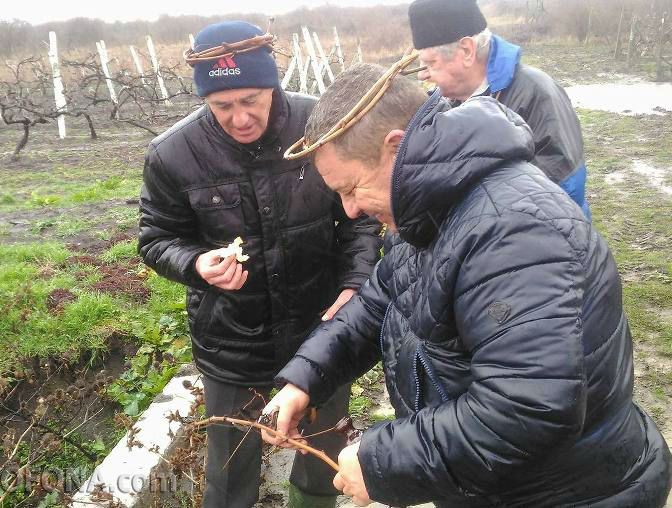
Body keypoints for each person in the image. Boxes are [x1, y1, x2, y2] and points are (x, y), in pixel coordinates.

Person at [261, 63, 672, 508]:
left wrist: (382, 462)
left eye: (352, 188)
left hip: (565, 493)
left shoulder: (513, 231)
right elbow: (378, 303)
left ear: (396, 148)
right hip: (492, 485)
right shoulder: (430, 209)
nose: (351, 210)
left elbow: (528, 408)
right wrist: (305, 378)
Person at [137, 21, 382, 508]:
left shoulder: (319, 128)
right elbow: (156, 238)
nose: (240, 116)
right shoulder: (173, 153)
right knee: (230, 470)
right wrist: (196, 263)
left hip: (322, 329)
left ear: (272, 84)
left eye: (251, 99)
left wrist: (356, 282)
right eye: (222, 106)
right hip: (232, 341)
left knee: (323, 453)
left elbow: (360, 219)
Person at [409, 0, 591, 218]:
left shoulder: (537, 94)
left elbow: (564, 186)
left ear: (467, 50)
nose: (422, 75)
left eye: (431, 63)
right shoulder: (450, 102)